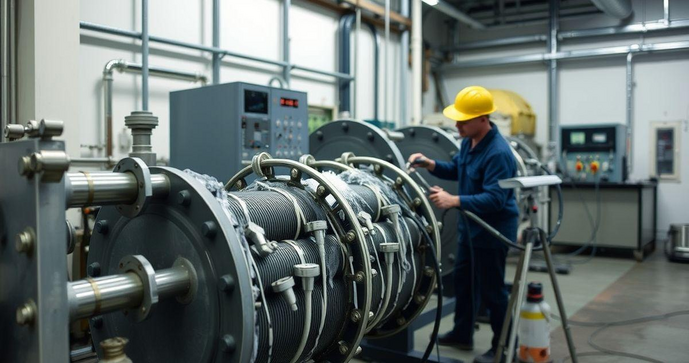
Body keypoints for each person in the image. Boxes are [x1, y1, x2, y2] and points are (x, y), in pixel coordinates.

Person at [409, 86, 518, 363]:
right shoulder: (470, 142)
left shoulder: (498, 153)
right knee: (464, 282)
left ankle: (505, 345)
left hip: (492, 230)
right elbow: (457, 168)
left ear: (483, 119)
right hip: (470, 228)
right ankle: (462, 333)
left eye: (463, 120)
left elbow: (495, 199)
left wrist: (454, 199)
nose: (457, 125)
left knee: (493, 290)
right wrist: (429, 163)